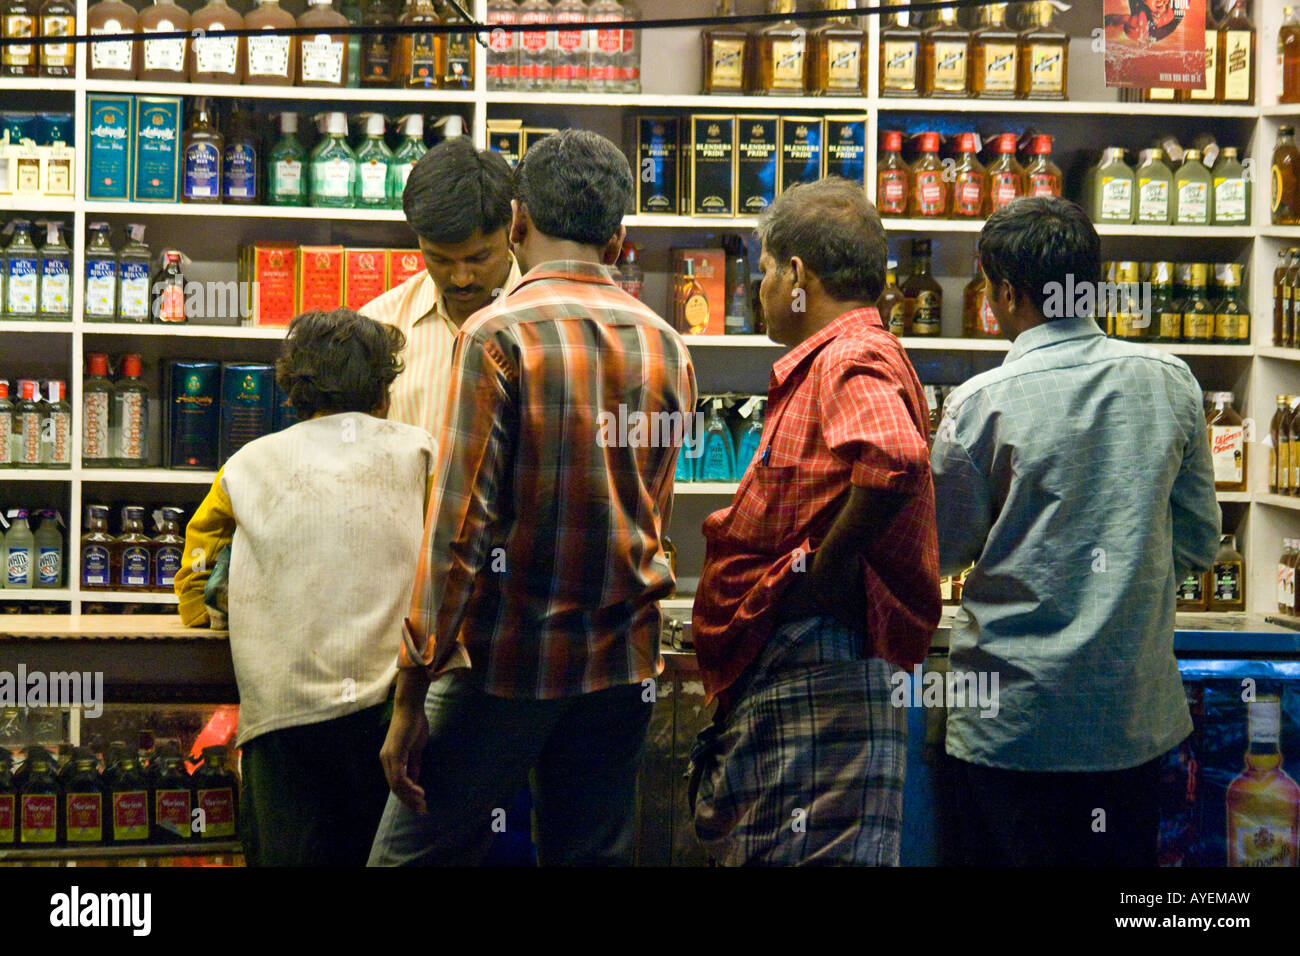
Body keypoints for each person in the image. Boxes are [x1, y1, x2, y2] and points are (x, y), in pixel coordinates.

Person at [367, 129, 697, 867]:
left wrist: (411, 691)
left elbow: (460, 530)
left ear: (516, 224)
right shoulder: (668, 343)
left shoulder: (495, 335)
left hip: (507, 659)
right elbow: (652, 510)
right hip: (620, 664)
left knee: (407, 859)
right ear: (618, 238)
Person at [929, 196, 1220, 867]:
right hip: (1128, 720)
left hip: (1012, 723)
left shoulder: (981, 402)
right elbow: (1201, 539)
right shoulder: (1171, 381)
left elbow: (942, 552)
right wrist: (1125, 579)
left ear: (1004, 292)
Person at [689, 177, 941, 866]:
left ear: (797, 274)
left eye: (764, 271)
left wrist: (825, 573)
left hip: (822, 660)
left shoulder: (849, 355)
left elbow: (895, 457)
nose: (758, 288)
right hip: (808, 661)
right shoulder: (839, 357)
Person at [175, 309, 434, 866]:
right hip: (391, 716)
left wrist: (201, 610)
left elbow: (200, 543)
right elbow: (451, 551)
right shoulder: (420, 451)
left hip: (281, 719)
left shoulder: (250, 460)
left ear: (292, 392)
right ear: (385, 391)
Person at [361, 135, 521, 434]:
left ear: (511, 228)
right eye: (440, 260)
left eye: (478, 258)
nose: (461, 278)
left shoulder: (550, 325)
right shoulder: (378, 327)